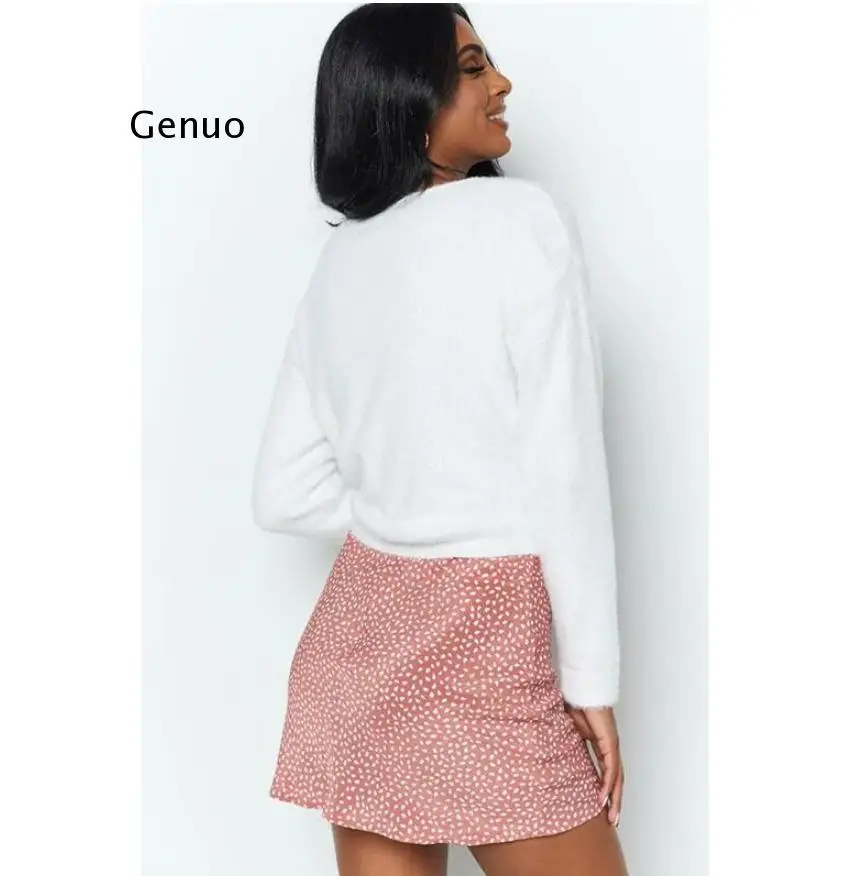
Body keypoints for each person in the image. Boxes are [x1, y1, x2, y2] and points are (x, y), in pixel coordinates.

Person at [251, 5, 628, 875]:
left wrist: (405, 504)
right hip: (487, 637)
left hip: (359, 638)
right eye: (471, 66)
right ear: (406, 95)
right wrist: (591, 683)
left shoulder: (342, 260)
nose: (500, 83)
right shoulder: (520, 218)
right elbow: (563, 469)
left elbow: (282, 494)